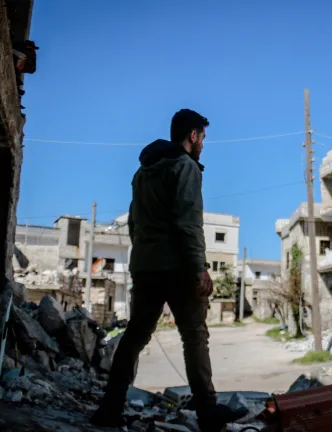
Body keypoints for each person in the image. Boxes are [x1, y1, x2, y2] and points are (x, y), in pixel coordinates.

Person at [92, 109, 245, 431]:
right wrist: (199, 267)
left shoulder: (143, 172)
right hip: (177, 267)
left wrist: (144, 258)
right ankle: (207, 413)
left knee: (134, 336)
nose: (203, 144)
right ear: (193, 136)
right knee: (194, 337)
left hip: (146, 266)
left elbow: (135, 221)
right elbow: (188, 221)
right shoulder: (185, 167)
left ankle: (109, 409)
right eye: (202, 138)